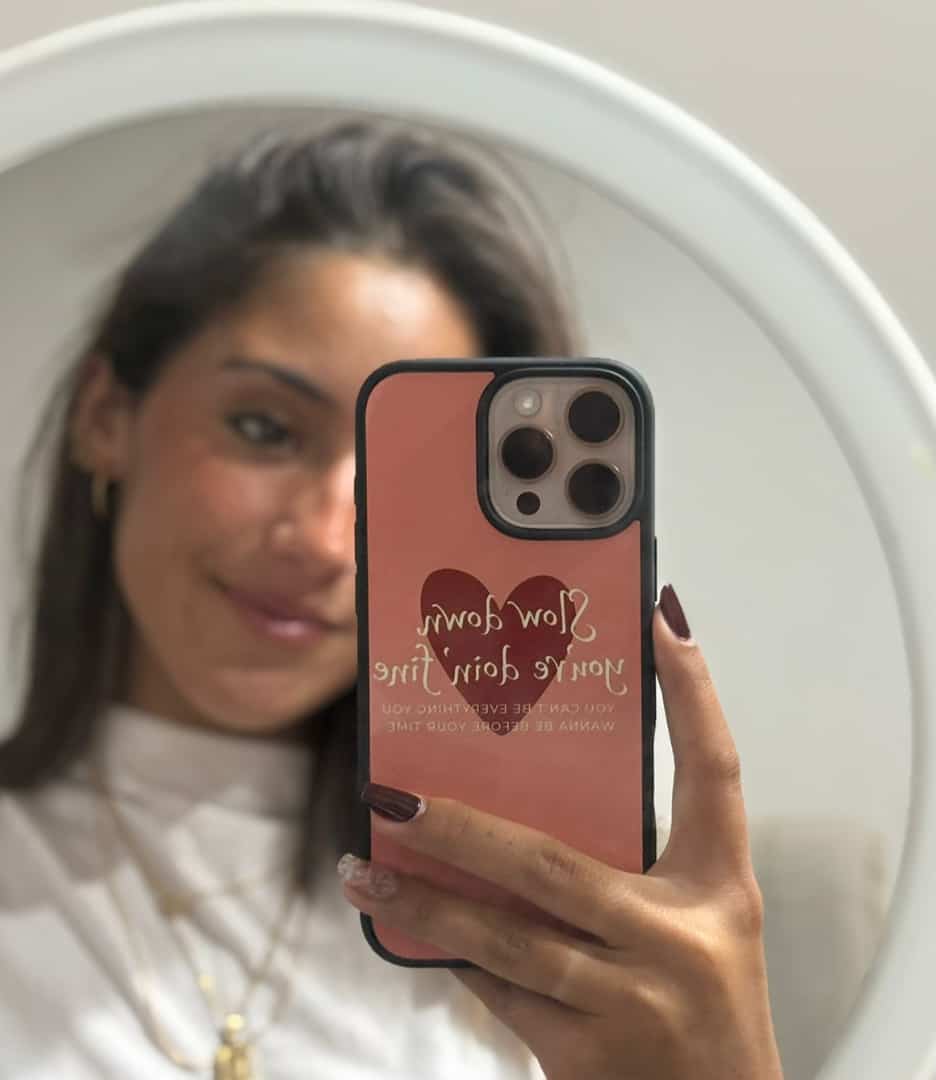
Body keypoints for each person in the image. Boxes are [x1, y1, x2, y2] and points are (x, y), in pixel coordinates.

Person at [0, 120, 783, 1079]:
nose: (327, 541)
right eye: (265, 428)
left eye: (402, 482)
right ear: (104, 417)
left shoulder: (539, 924)